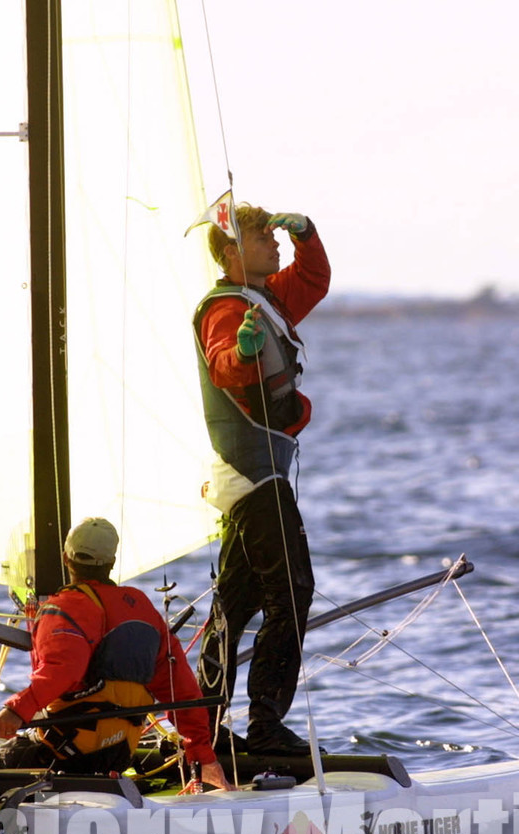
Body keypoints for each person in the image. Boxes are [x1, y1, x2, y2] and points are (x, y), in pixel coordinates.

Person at [192, 203, 330, 755]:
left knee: (235, 602)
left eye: (277, 238)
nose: (275, 245)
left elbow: (315, 279)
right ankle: (266, 727)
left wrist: (308, 234)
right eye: (263, 238)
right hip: (254, 477)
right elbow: (224, 360)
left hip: (253, 476)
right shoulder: (226, 310)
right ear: (231, 253)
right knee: (292, 594)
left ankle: (198, 722)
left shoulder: (268, 298)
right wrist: (245, 350)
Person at [0, 517, 230, 790]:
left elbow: (63, 670)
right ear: (112, 563)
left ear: (66, 559)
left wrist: (16, 710)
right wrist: (204, 758)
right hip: (116, 755)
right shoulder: (142, 608)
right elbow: (182, 691)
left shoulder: (64, 607)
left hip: (66, 753)